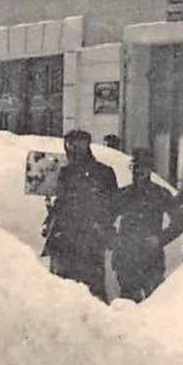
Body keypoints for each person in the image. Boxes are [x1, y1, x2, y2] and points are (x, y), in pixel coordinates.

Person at [42, 129, 118, 301]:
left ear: (87, 146)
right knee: (64, 293)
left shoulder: (104, 173)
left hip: (88, 241)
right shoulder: (64, 173)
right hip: (66, 241)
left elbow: (113, 205)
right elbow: (62, 203)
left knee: (90, 291)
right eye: (69, 145)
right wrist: (50, 215)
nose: (72, 149)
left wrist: (99, 225)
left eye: (78, 145)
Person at [109, 150, 183, 302]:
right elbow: (105, 220)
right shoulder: (123, 194)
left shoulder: (160, 194)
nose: (139, 172)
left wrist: (160, 239)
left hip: (151, 256)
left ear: (150, 170)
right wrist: (115, 240)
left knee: (155, 303)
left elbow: (181, 222)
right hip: (127, 255)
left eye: (144, 168)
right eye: (136, 167)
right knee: (129, 302)